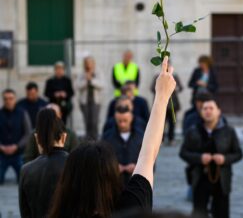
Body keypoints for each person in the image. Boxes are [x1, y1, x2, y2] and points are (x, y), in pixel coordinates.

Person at [48, 56, 176, 217]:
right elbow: (147, 156)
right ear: (111, 174)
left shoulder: (61, 212)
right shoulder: (131, 206)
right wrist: (162, 97)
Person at [180, 99, 243, 218]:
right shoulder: (193, 130)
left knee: (221, 212)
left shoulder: (228, 131)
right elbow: (183, 153)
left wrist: (224, 159)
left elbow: (238, 154)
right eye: (205, 108)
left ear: (219, 111)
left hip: (222, 179)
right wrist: (200, 158)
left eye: (211, 108)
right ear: (201, 112)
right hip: (199, 177)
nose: (208, 111)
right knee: (199, 213)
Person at [19, 108, 68, 218]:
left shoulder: (26, 170)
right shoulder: (77, 165)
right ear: (64, 137)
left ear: (37, 138)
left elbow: (25, 213)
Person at [102, 104, 143, 185]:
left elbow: (150, 159)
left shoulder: (141, 136)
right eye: (119, 121)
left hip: (136, 182)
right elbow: (101, 159)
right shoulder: (107, 137)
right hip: (113, 182)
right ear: (115, 119)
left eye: (125, 120)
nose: (122, 124)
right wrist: (112, 167)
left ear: (131, 118)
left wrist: (138, 167)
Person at [0, 89, 32, 184]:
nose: (8, 101)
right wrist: (1, 147)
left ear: (15, 99)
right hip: (2, 154)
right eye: (6, 99)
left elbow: (27, 133)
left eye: (11, 98)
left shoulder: (22, 113)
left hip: (19, 154)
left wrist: (17, 146)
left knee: (24, 181)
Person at [151, 71, 183, 145]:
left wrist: (174, 88)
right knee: (161, 123)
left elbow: (180, 88)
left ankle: (171, 139)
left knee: (172, 123)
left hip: (173, 104)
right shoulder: (158, 76)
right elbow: (152, 88)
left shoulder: (174, 76)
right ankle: (160, 140)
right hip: (162, 103)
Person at [76, 56, 104, 140]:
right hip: (84, 102)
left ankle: (95, 139)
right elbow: (77, 85)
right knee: (87, 122)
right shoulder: (81, 73)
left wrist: (91, 80)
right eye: (87, 63)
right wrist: (86, 81)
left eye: (90, 63)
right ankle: (88, 140)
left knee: (94, 122)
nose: (89, 65)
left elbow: (102, 85)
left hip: (96, 101)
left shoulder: (98, 72)